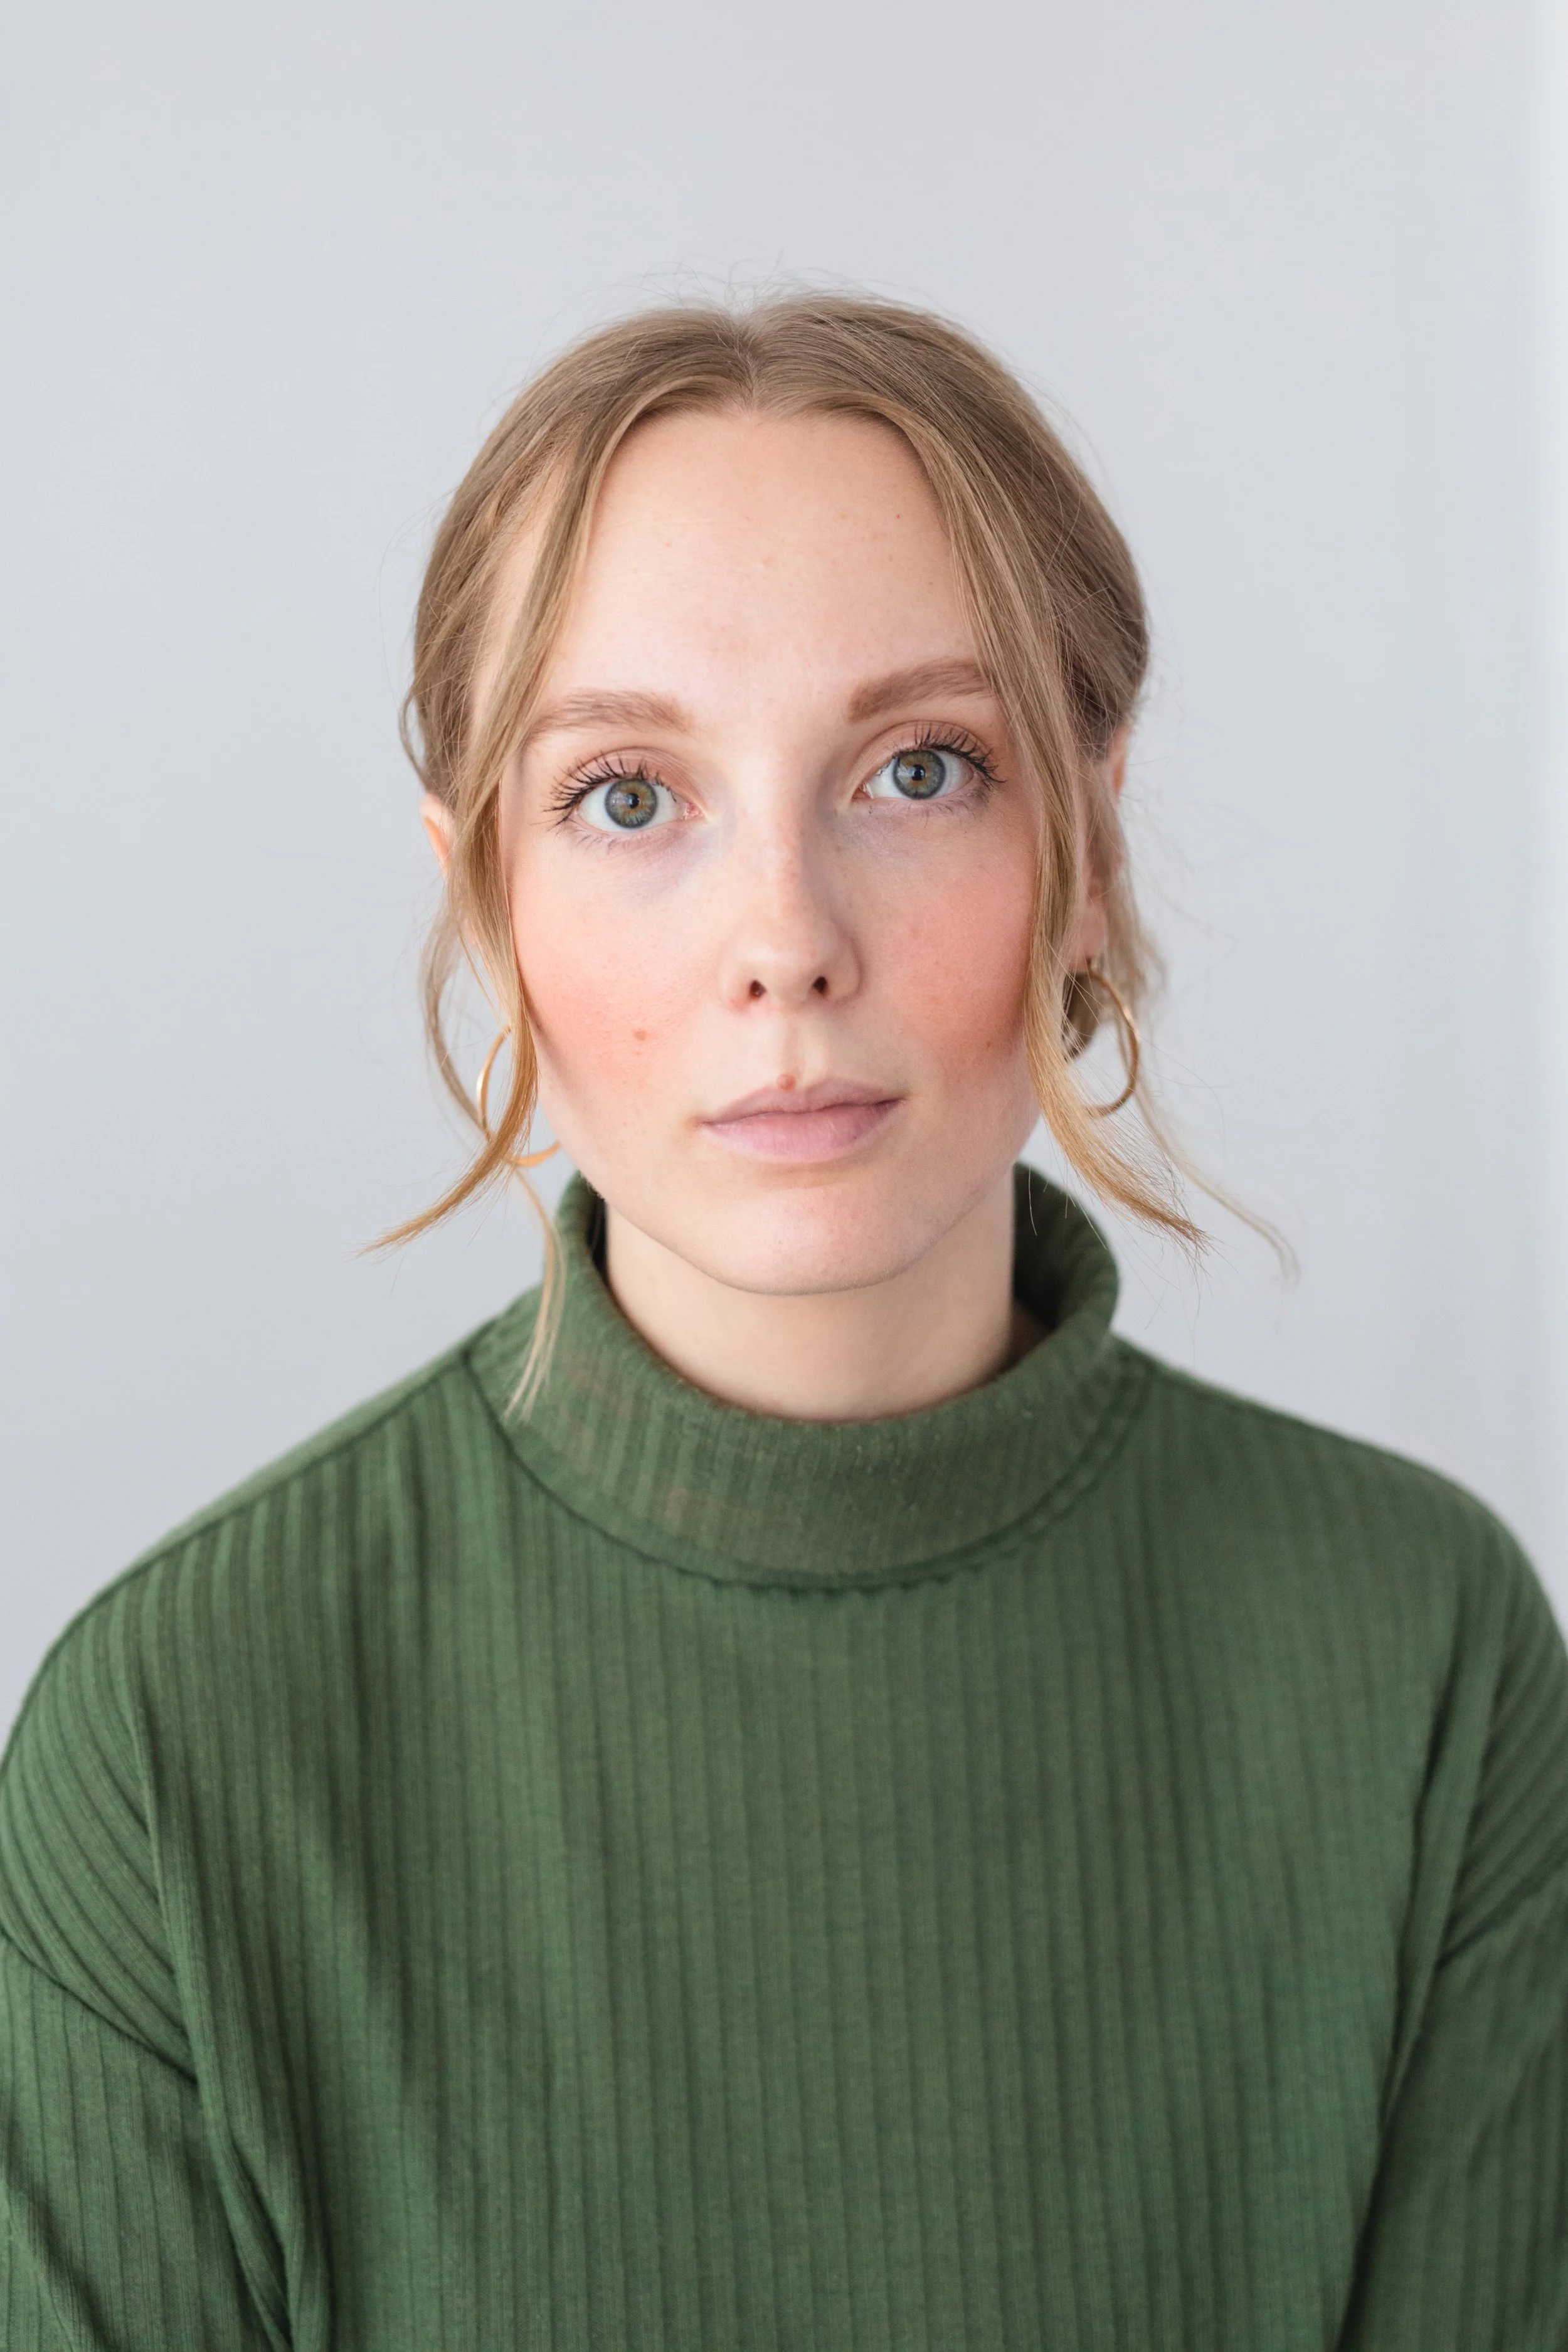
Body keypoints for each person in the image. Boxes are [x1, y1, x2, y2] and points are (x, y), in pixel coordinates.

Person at [1, 294, 1563, 2352]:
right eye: (629, 797)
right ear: (485, 902)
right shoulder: (173, 1732)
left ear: (1083, 839)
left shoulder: (1414, 1650)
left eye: (919, 769)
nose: (786, 947)